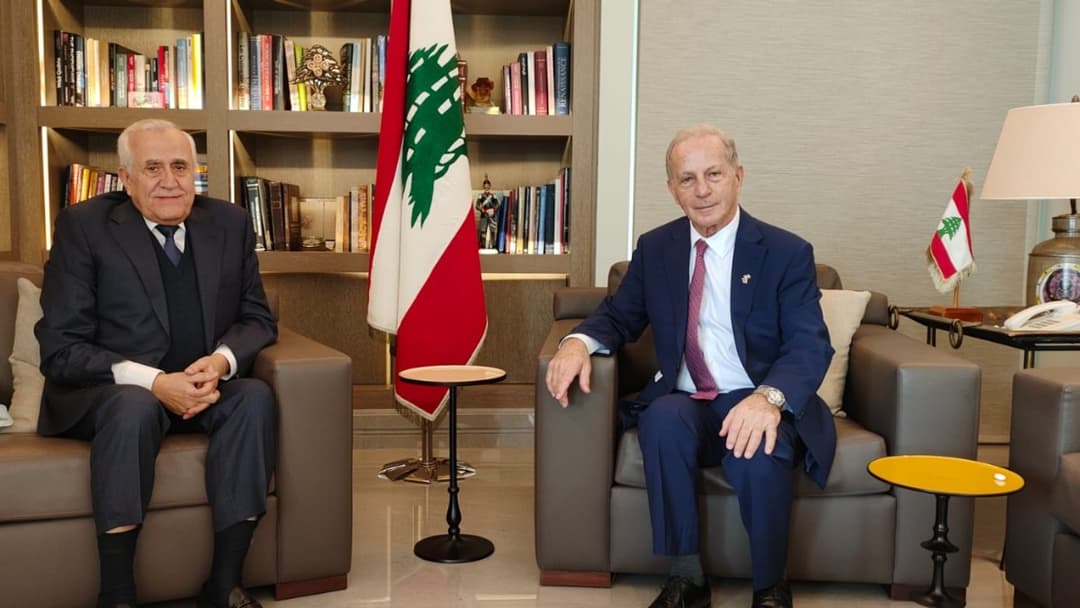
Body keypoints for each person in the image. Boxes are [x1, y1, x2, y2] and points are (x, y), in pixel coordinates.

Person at [545, 125, 835, 608]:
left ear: (738, 176)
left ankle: (770, 587)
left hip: (757, 396)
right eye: (687, 179)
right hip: (688, 400)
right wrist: (576, 343)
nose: (702, 190)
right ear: (672, 189)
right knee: (661, 420)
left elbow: (809, 344)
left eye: (713, 174)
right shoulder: (657, 248)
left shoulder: (786, 253)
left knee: (756, 451)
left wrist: (767, 399)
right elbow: (619, 315)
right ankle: (686, 579)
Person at [35, 119, 278, 608]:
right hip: (108, 395)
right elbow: (61, 348)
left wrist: (220, 362)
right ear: (126, 180)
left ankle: (224, 586)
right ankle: (117, 595)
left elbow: (257, 318)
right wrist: (155, 382)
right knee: (135, 407)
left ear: (195, 174)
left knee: (253, 398)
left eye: (180, 167)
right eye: (152, 169)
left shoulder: (228, 223)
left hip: (201, 387)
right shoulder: (84, 227)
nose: (170, 181)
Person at [475, 176, 501, 250]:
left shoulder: (493, 196)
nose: (486, 187)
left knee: (493, 231)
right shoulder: (481, 196)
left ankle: (493, 245)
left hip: (491, 215)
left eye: (487, 186)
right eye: (485, 186)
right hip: (484, 215)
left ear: (489, 186)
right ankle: (483, 245)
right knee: (483, 231)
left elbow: (497, 204)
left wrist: (493, 210)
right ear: (483, 187)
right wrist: (482, 210)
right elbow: (477, 206)